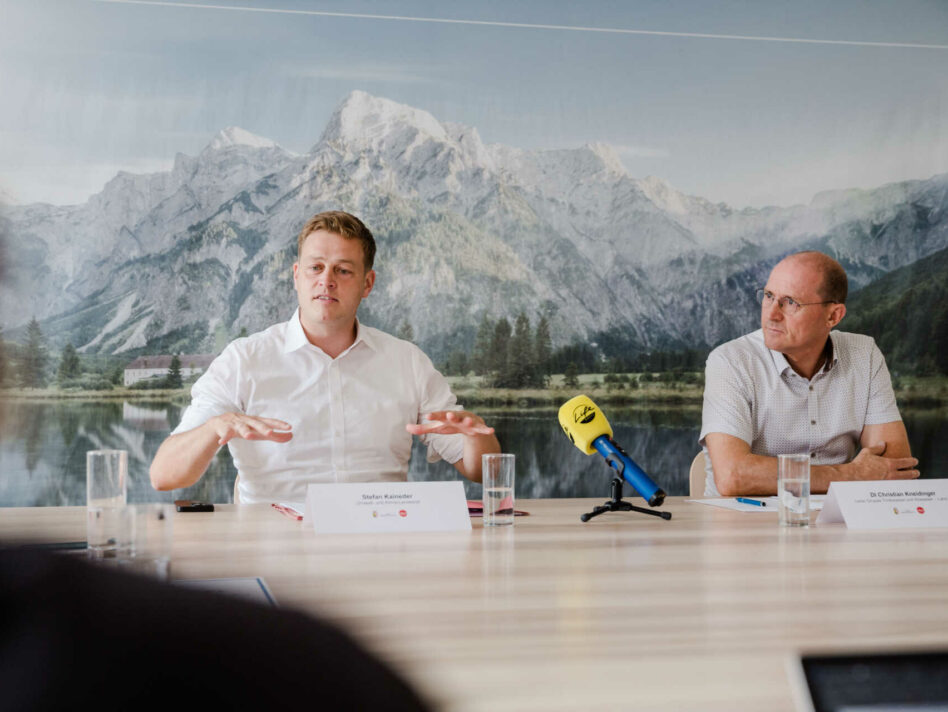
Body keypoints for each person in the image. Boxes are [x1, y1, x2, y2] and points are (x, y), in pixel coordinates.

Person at [150, 211, 500, 503]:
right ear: (296, 276)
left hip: (381, 544)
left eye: (343, 270)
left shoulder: (407, 362)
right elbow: (165, 475)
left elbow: (483, 472)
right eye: (316, 267)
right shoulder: (243, 360)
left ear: (367, 283)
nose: (327, 281)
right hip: (272, 551)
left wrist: (475, 435)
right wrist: (215, 427)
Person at [699, 251, 919, 496]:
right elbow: (734, 476)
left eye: (791, 302)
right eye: (769, 296)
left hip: (838, 523)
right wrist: (851, 474)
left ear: (833, 316)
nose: (771, 314)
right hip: (743, 525)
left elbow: (894, 468)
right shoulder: (731, 360)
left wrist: (775, 475)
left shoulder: (864, 354)